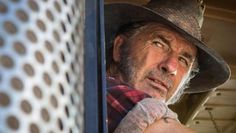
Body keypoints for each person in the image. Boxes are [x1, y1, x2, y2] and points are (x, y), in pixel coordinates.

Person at [105, 0, 230, 132]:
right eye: (159, 44)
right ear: (119, 48)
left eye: (183, 60)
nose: (171, 67)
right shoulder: (102, 90)